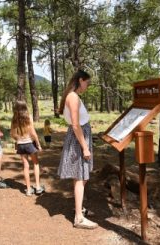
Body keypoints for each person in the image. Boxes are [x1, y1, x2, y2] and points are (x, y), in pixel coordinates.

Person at [58, 70, 98, 229]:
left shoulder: (71, 95)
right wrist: (85, 147)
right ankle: (79, 218)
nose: (87, 86)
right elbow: (75, 125)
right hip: (79, 139)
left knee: (82, 176)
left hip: (79, 137)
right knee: (80, 177)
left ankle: (78, 208)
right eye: (87, 83)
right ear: (80, 80)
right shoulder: (73, 97)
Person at [10, 100, 45, 196]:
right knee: (36, 164)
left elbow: (12, 134)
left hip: (20, 145)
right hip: (30, 144)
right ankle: (38, 188)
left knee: (25, 166)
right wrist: (38, 144)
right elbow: (33, 133)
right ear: (25, 108)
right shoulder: (28, 118)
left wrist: (17, 140)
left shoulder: (14, 120)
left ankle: (28, 189)